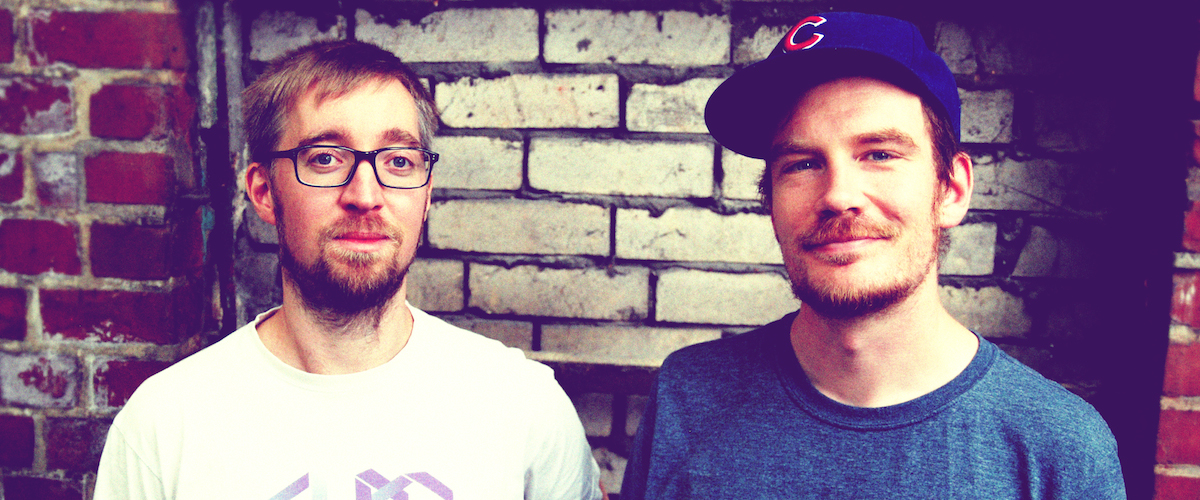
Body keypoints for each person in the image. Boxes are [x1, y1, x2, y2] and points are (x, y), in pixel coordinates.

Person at [621, 12, 1125, 499]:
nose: (838, 195)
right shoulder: (688, 396)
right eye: (802, 163)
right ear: (770, 201)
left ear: (951, 190)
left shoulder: (1060, 448)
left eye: (880, 154)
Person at [95, 40, 602, 500]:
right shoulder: (164, 426)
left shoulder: (523, 408)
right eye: (325, 158)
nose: (366, 195)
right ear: (264, 192)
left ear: (426, 194)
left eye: (399, 161)